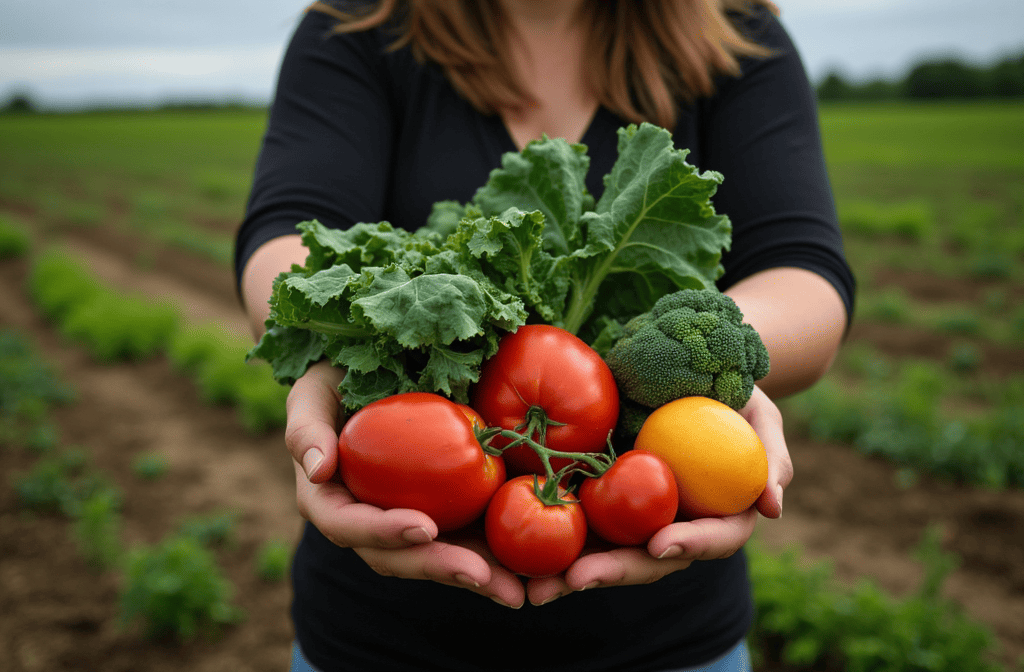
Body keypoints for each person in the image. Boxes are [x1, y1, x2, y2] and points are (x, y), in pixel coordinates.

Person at [234, 1, 856, 670]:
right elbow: (290, 250)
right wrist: (345, 350)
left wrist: (686, 358)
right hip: (380, 641)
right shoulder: (354, 24)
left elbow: (803, 271)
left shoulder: (737, 30)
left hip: (668, 643)